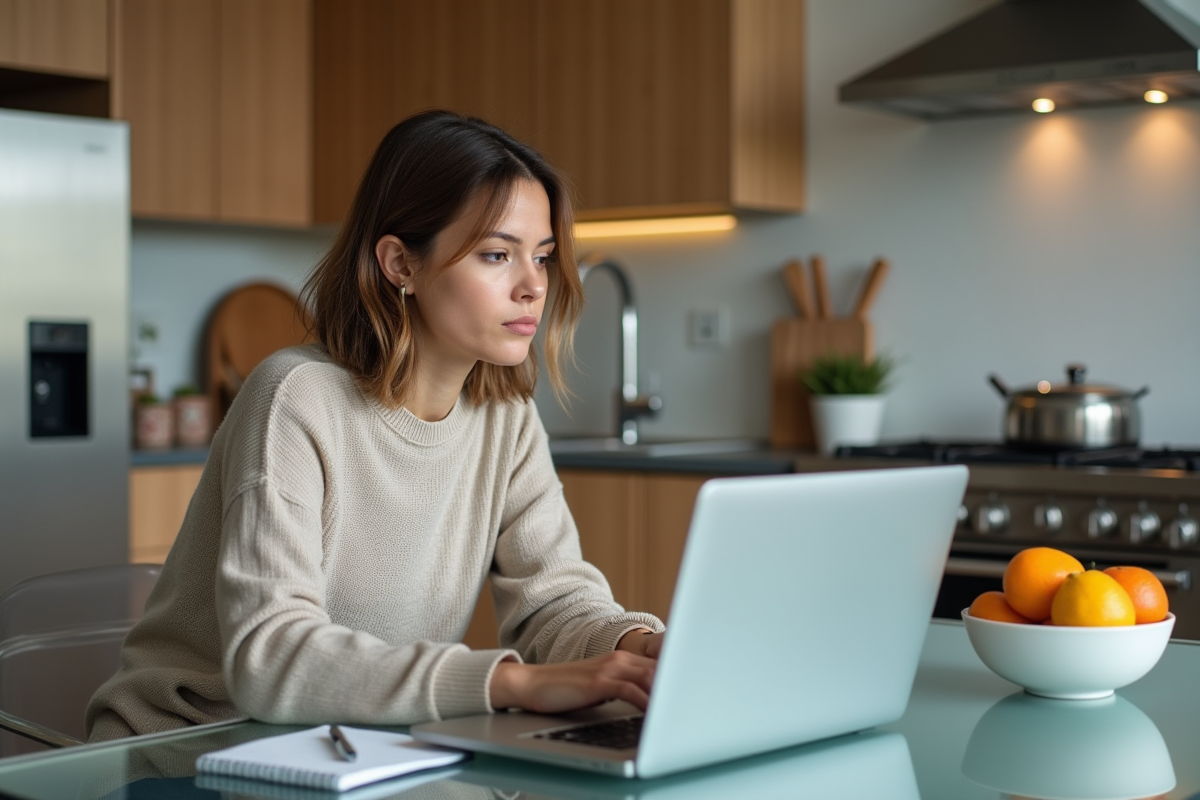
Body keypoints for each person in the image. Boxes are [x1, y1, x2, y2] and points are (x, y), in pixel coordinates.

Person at [87, 110, 665, 741]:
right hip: (185, 749)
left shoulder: (507, 418)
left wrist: (640, 647)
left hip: (350, 748)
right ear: (401, 264)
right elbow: (271, 656)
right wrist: (511, 682)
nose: (534, 286)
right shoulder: (294, 398)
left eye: (544, 257)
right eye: (498, 254)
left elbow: (552, 602)